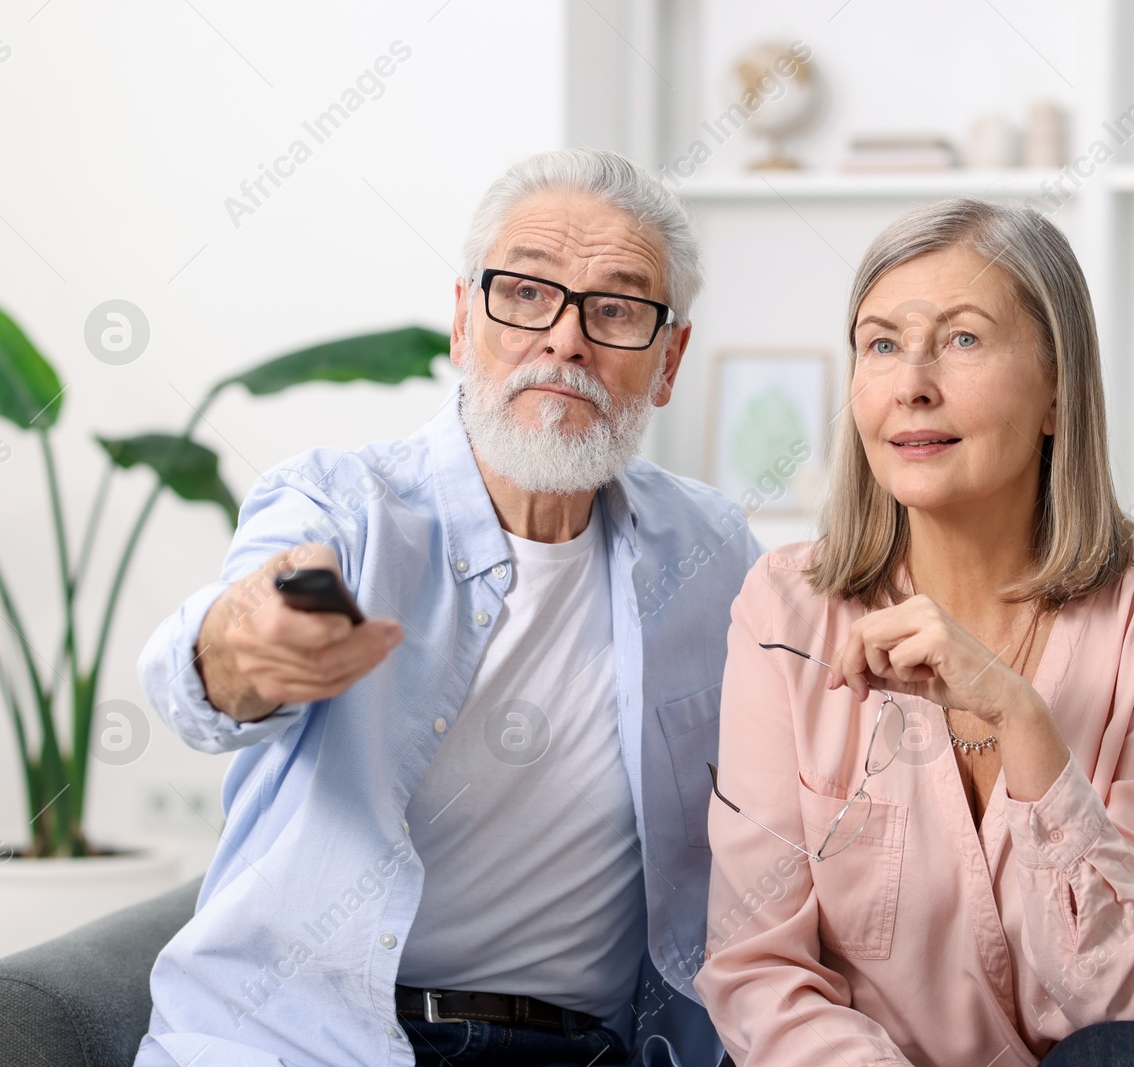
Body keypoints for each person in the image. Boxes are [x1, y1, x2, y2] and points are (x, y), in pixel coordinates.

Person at [133, 148, 760, 1067]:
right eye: (526, 293)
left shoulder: (712, 551)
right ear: (465, 320)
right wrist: (249, 647)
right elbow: (205, 665)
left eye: (617, 308)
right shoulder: (343, 507)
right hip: (307, 1041)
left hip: (578, 1050)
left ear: (668, 359)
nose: (566, 339)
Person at [696, 199, 1134, 1066]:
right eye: (881, 344)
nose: (911, 381)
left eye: (961, 339)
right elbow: (757, 966)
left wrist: (1023, 720)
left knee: (1124, 1055)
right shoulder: (783, 607)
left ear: (1057, 393)